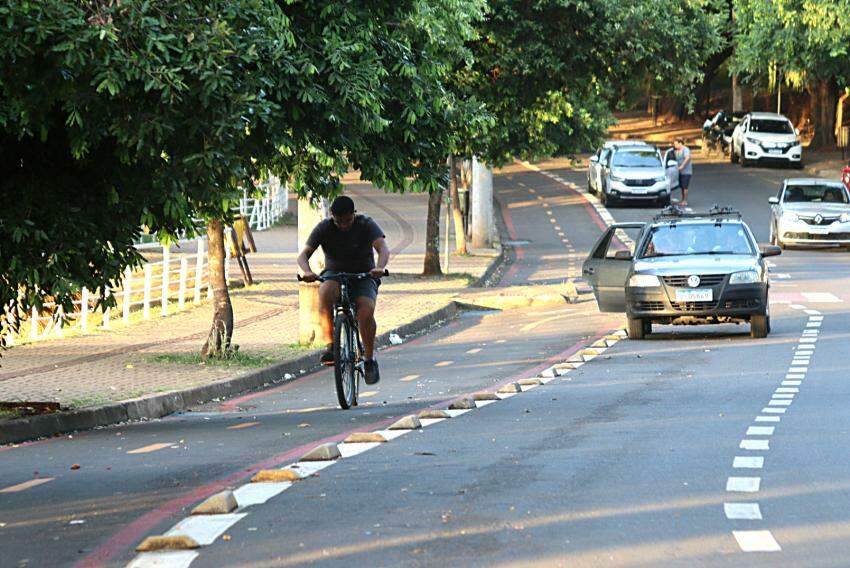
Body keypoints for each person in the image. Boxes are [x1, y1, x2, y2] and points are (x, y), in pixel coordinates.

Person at [296, 196, 390, 385]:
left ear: (354, 214)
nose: (344, 225)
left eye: (348, 220)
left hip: (364, 275)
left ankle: (369, 360)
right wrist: (306, 271)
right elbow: (303, 255)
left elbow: (383, 248)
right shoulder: (324, 228)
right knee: (324, 292)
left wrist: (379, 268)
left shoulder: (366, 224)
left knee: (365, 310)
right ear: (332, 216)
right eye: (339, 221)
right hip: (335, 274)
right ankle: (331, 345)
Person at [673, 137, 693, 206]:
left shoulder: (685, 149)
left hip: (686, 172)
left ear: (680, 143)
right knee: (681, 187)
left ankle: (685, 200)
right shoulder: (677, 151)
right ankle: (682, 200)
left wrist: (682, 166)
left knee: (685, 186)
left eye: (676, 144)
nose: (674, 146)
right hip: (680, 172)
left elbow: (687, 158)